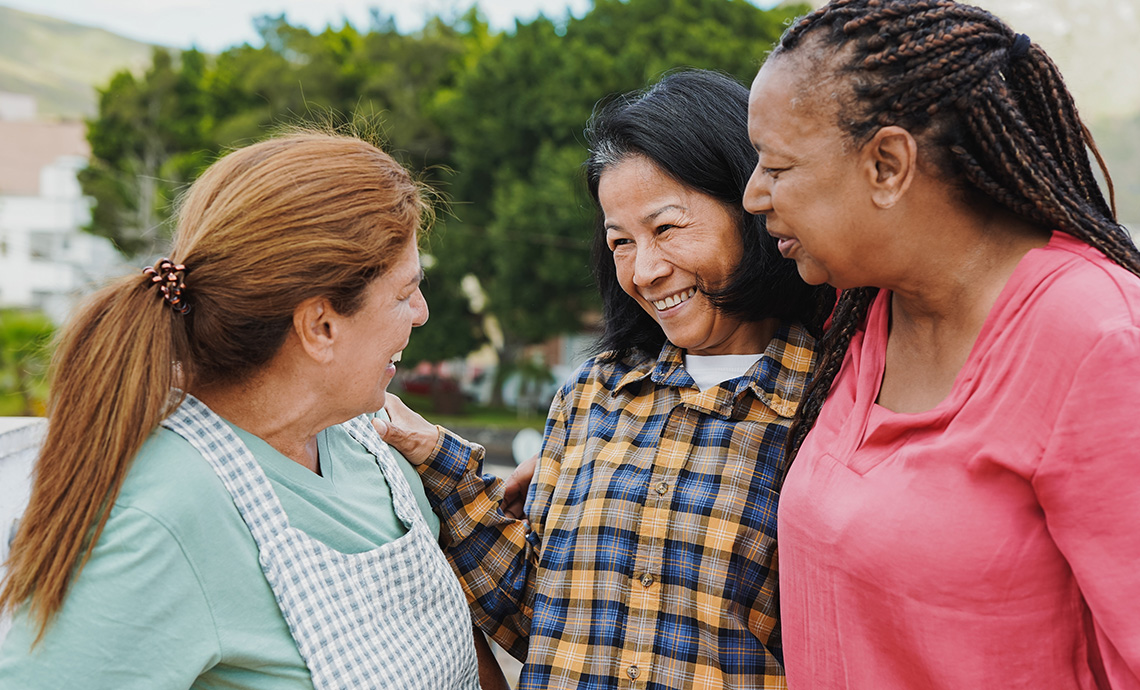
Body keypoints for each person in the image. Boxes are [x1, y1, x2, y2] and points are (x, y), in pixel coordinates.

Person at [372, 69, 834, 690]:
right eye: (621, 242)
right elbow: (542, 615)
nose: (645, 271)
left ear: (750, 207)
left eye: (667, 228)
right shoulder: (593, 395)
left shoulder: (832, 405)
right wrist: (438, 462)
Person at [741, 1, 1140, 687]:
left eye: (776, 167)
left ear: (889, 164)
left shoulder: (1099, 340)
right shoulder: (862, 310)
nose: (753, 195)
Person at [0, 132, 487, 689]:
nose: (421, 314)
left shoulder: (373, 448)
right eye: (404, 294)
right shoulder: (160, 516)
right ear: (320, 327)